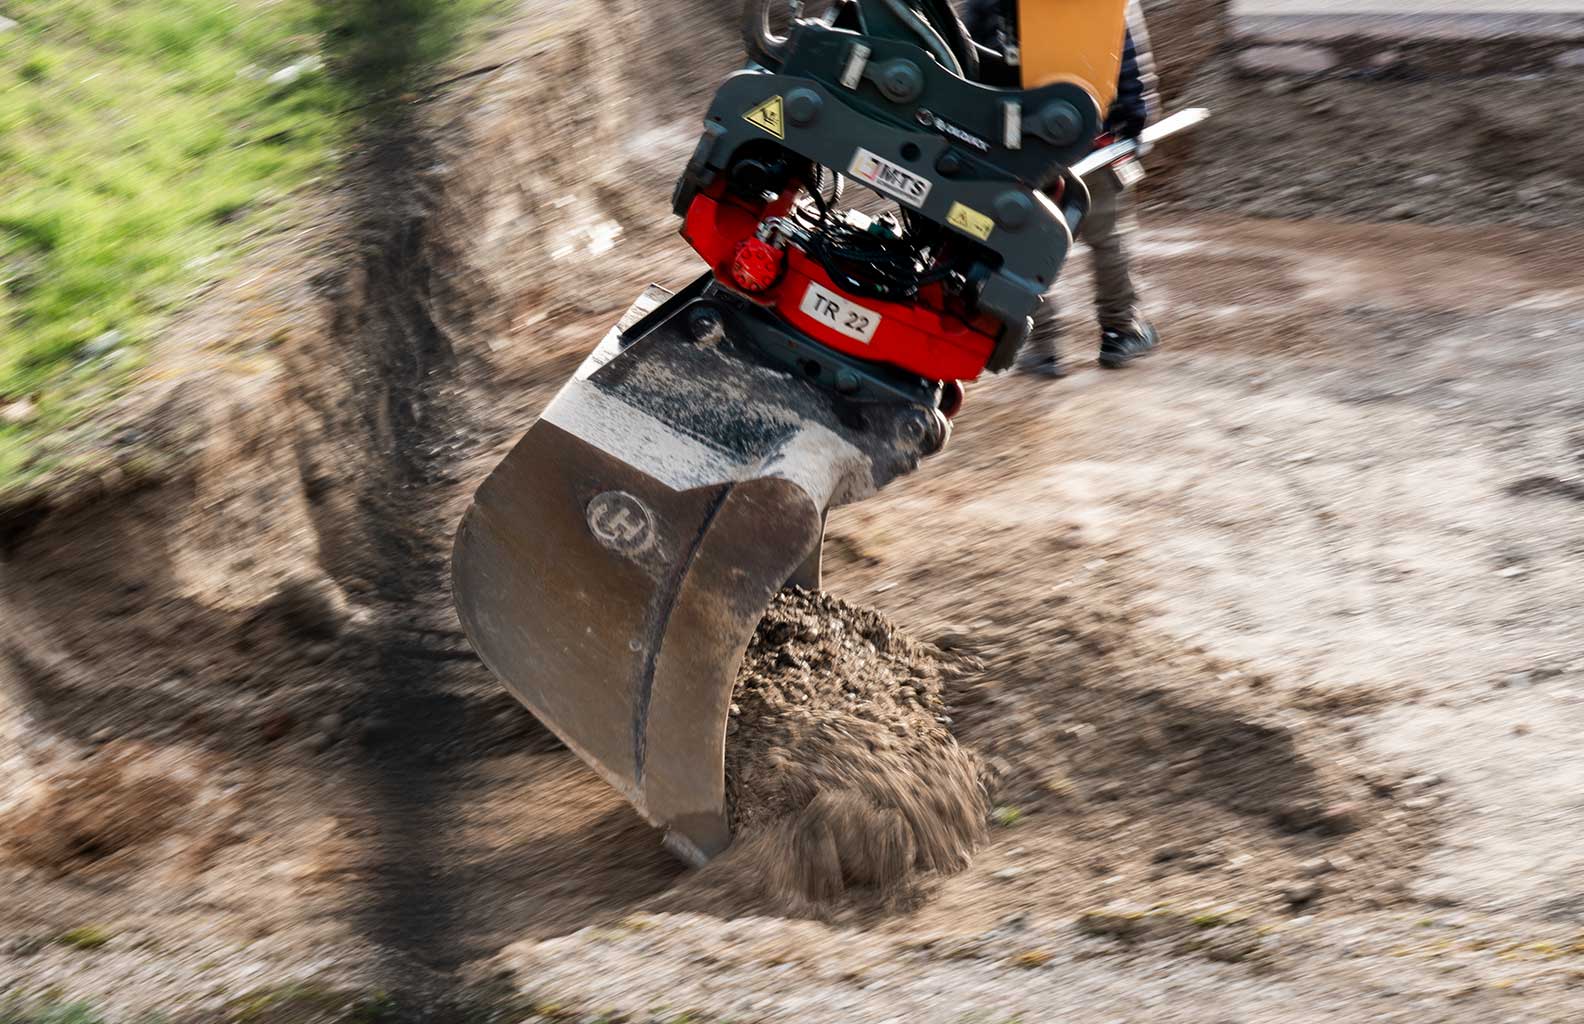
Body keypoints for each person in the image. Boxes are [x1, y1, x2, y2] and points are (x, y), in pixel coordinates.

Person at [961, 0, 1162, 377]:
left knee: (1022, 240)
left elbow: (972, 52)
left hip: (1019, 136)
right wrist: (1135, 124)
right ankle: (1120, 331)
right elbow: (1127, 56)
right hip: (1090, 131)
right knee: (1108, 238)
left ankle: (1041, 345)